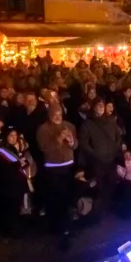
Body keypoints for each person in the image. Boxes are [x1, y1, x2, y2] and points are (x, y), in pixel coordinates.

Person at [36, 102, 78, 248]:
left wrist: (72, 141)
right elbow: (44, 148)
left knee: (68, 198)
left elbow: (76, 145)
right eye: (54, 115)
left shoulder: (69, 125)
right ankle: (55, 228)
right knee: (55, 199)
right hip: (53, 168)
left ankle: (68, 227)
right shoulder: (43, 129)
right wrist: (59, 139)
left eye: (59, 114)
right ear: (49, 115)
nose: (57, 117)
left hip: (69, 166)